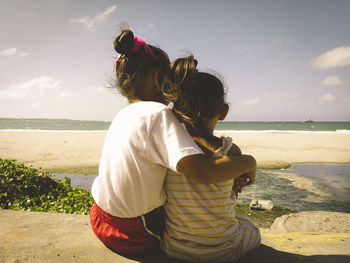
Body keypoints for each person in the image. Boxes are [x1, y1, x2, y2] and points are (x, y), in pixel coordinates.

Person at [90, 30, 257, 256]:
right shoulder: (158, 113)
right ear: (159, 79)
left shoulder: (124, 114)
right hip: (134, 233)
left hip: (100, 218)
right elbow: (203, 172)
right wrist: (248, 162)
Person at [162, 57, 261, 262]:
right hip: (223, 252)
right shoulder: (230, 151)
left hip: (175, 248)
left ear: (177, 112)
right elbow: (234, 187)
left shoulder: (170, 149)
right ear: (223, 112)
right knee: (251, 229)